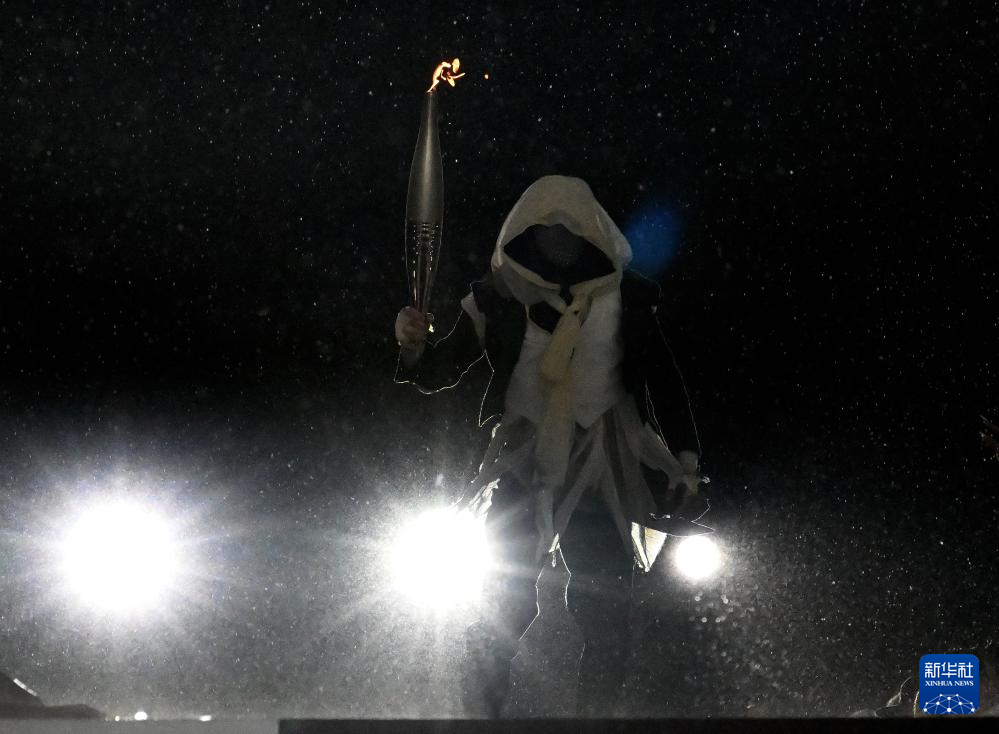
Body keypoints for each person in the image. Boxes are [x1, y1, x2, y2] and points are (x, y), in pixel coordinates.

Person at [394, 175, 708, 716]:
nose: (559, 245)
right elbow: (438, 371)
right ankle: (481, 716)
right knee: (506, 600)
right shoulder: (497, 297)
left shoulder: (626, 298)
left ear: (592, 237)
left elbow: (665, 379)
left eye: (570, 234)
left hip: (602, 461)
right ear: (526, 236)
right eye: (547, 234)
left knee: (606, 608)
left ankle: (595, 725)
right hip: (525, 458)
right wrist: (413, 345)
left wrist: (686, 459)